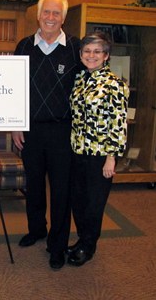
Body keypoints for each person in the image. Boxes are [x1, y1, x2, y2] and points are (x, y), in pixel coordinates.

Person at [12, 0, 81, 270]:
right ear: (38, 16)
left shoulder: (76, 49)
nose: (50, 17)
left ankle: (57, 244)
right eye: (46, 12)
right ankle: (37, 228)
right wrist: (16, 124)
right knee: (35, 185)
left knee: (62, 191)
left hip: (63, 132)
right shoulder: (24, 46)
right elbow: (14, 90)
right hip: (30, 130)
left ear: (63, 18)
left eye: (56, 13)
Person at [67, 31, 129, 266]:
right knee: (79, 201)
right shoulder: (80, 79)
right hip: (77, 151)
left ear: (106, 55)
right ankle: (83, 239)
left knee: (94, 204)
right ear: (81, 54)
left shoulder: (115, 84)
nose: (91, 55)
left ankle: (88, 246)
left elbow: (118, 123)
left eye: (97, 51)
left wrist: (111, 158)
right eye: (87, 51)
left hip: (100, 155)